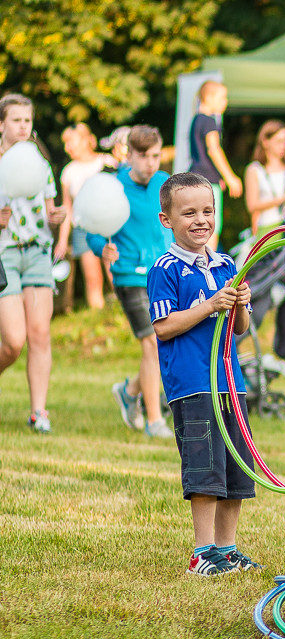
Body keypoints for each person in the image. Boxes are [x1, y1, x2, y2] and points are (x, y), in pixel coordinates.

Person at [147, 172, 260, 576]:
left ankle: (227, 549)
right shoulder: (165, 268)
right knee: (204, 465)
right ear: (167, 220)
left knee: (235, 467)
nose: (200, 220)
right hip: (193, 384)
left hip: (231, 382)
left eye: (207, 211)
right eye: (189, 212)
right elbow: (163, 327)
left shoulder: (227, 263)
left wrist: (241, 303)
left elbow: (241, 328)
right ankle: (202, 551)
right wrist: (210, 304)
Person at [86, 125, 174, 438]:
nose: (150, 162)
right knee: (153, 342)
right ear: (130, 155)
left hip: (163, 274)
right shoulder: (114, 186)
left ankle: (129, 391)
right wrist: (102, 248)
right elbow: (92, 231)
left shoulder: (165, 184)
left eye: (155, 155)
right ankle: (154, 421)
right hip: (128, 275)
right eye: (143, 156)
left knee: (162, 344)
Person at [0, 93, 67, 433]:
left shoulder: (39, 161)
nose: (24, 126)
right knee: (14, 340)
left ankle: (38, 412)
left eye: (28, 120)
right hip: (4, 255)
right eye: (16, 120)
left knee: (39, 334)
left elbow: (50, 207)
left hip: (38, 251)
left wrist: (58, 216)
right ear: (1, 124)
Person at [57, 123, 115, 311]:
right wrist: (62, 241)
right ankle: (97, 316)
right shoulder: (68, 172)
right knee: (92, 280)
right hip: (83, 230)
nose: (68, 147)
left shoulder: (107, 161)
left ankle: (124, 317)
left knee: (115, 273)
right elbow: (68, 208)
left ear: (85, 140)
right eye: (65, 143)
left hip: (109, 225)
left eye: (70, 142)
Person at [188, 80, 242, 251]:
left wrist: (219, 178)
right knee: (211, 228)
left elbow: (201, 155)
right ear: (209, 98)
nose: (225, 102)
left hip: (195, 179)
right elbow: (213, 149)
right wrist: (230, 177)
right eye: (222, 98)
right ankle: (207, 268)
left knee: (197, 225)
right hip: (208, 184)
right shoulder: (210, 121)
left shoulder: (196, 120)